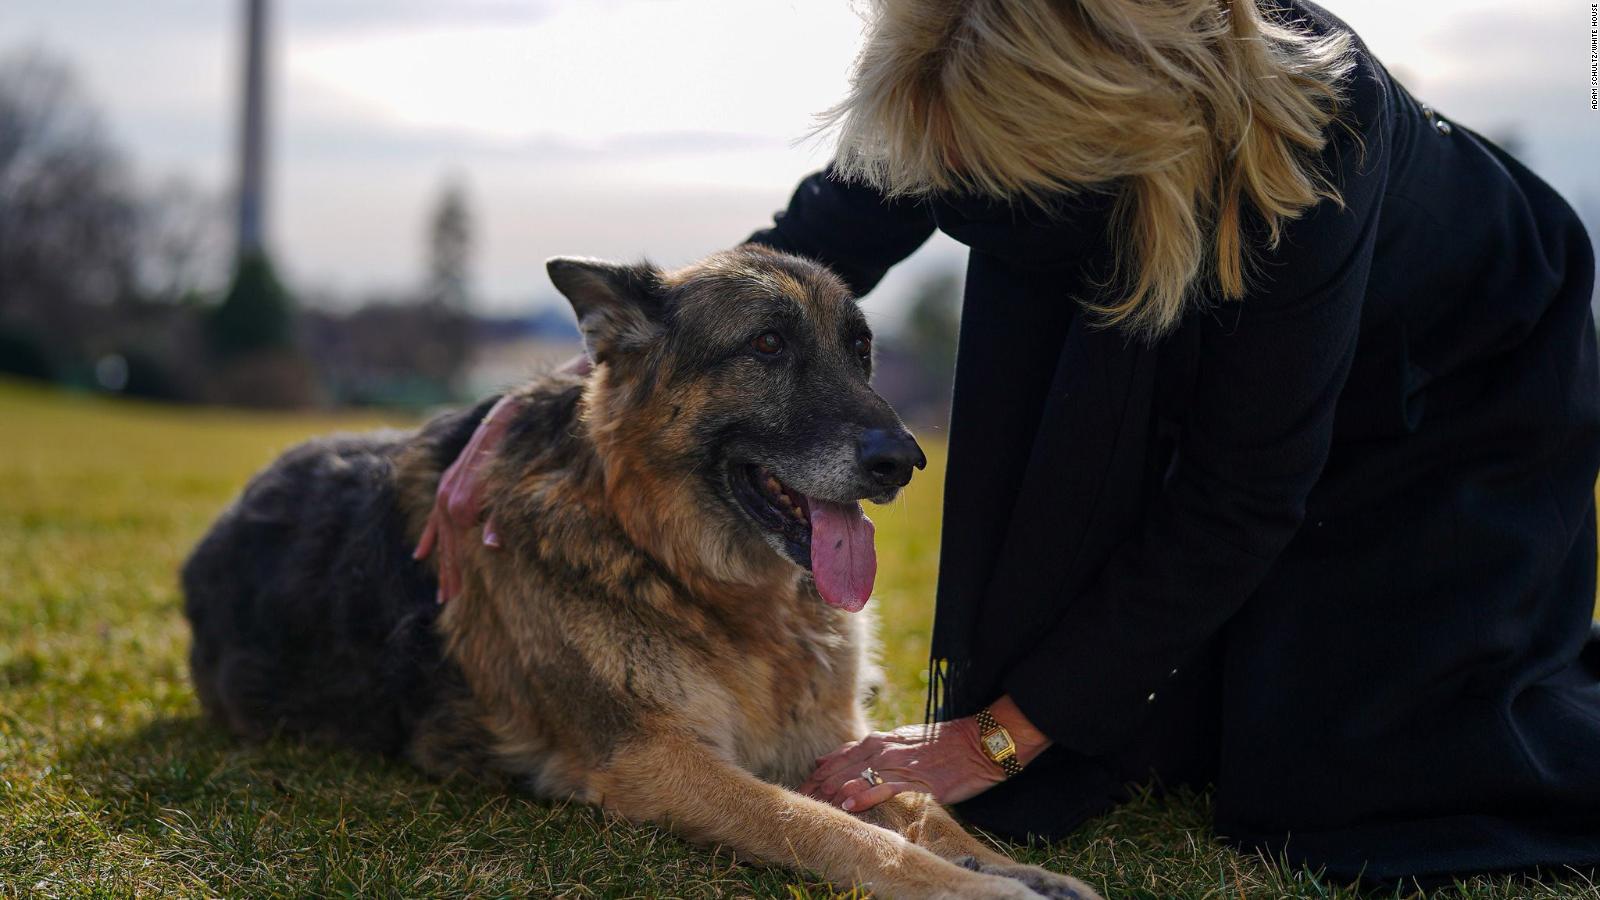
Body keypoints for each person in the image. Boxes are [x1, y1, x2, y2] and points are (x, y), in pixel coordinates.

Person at [419, 0, 1600, 886]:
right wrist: (565, 395)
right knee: (1137, 742)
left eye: (989, 176)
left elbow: (1243, 489)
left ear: (1096, 127)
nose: (954, 189)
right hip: (1201, 292)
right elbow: (793, 252)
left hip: (1453, 368)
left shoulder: (1306, 148)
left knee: (1350, 785)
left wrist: (991, 738)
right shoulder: (966, 56)